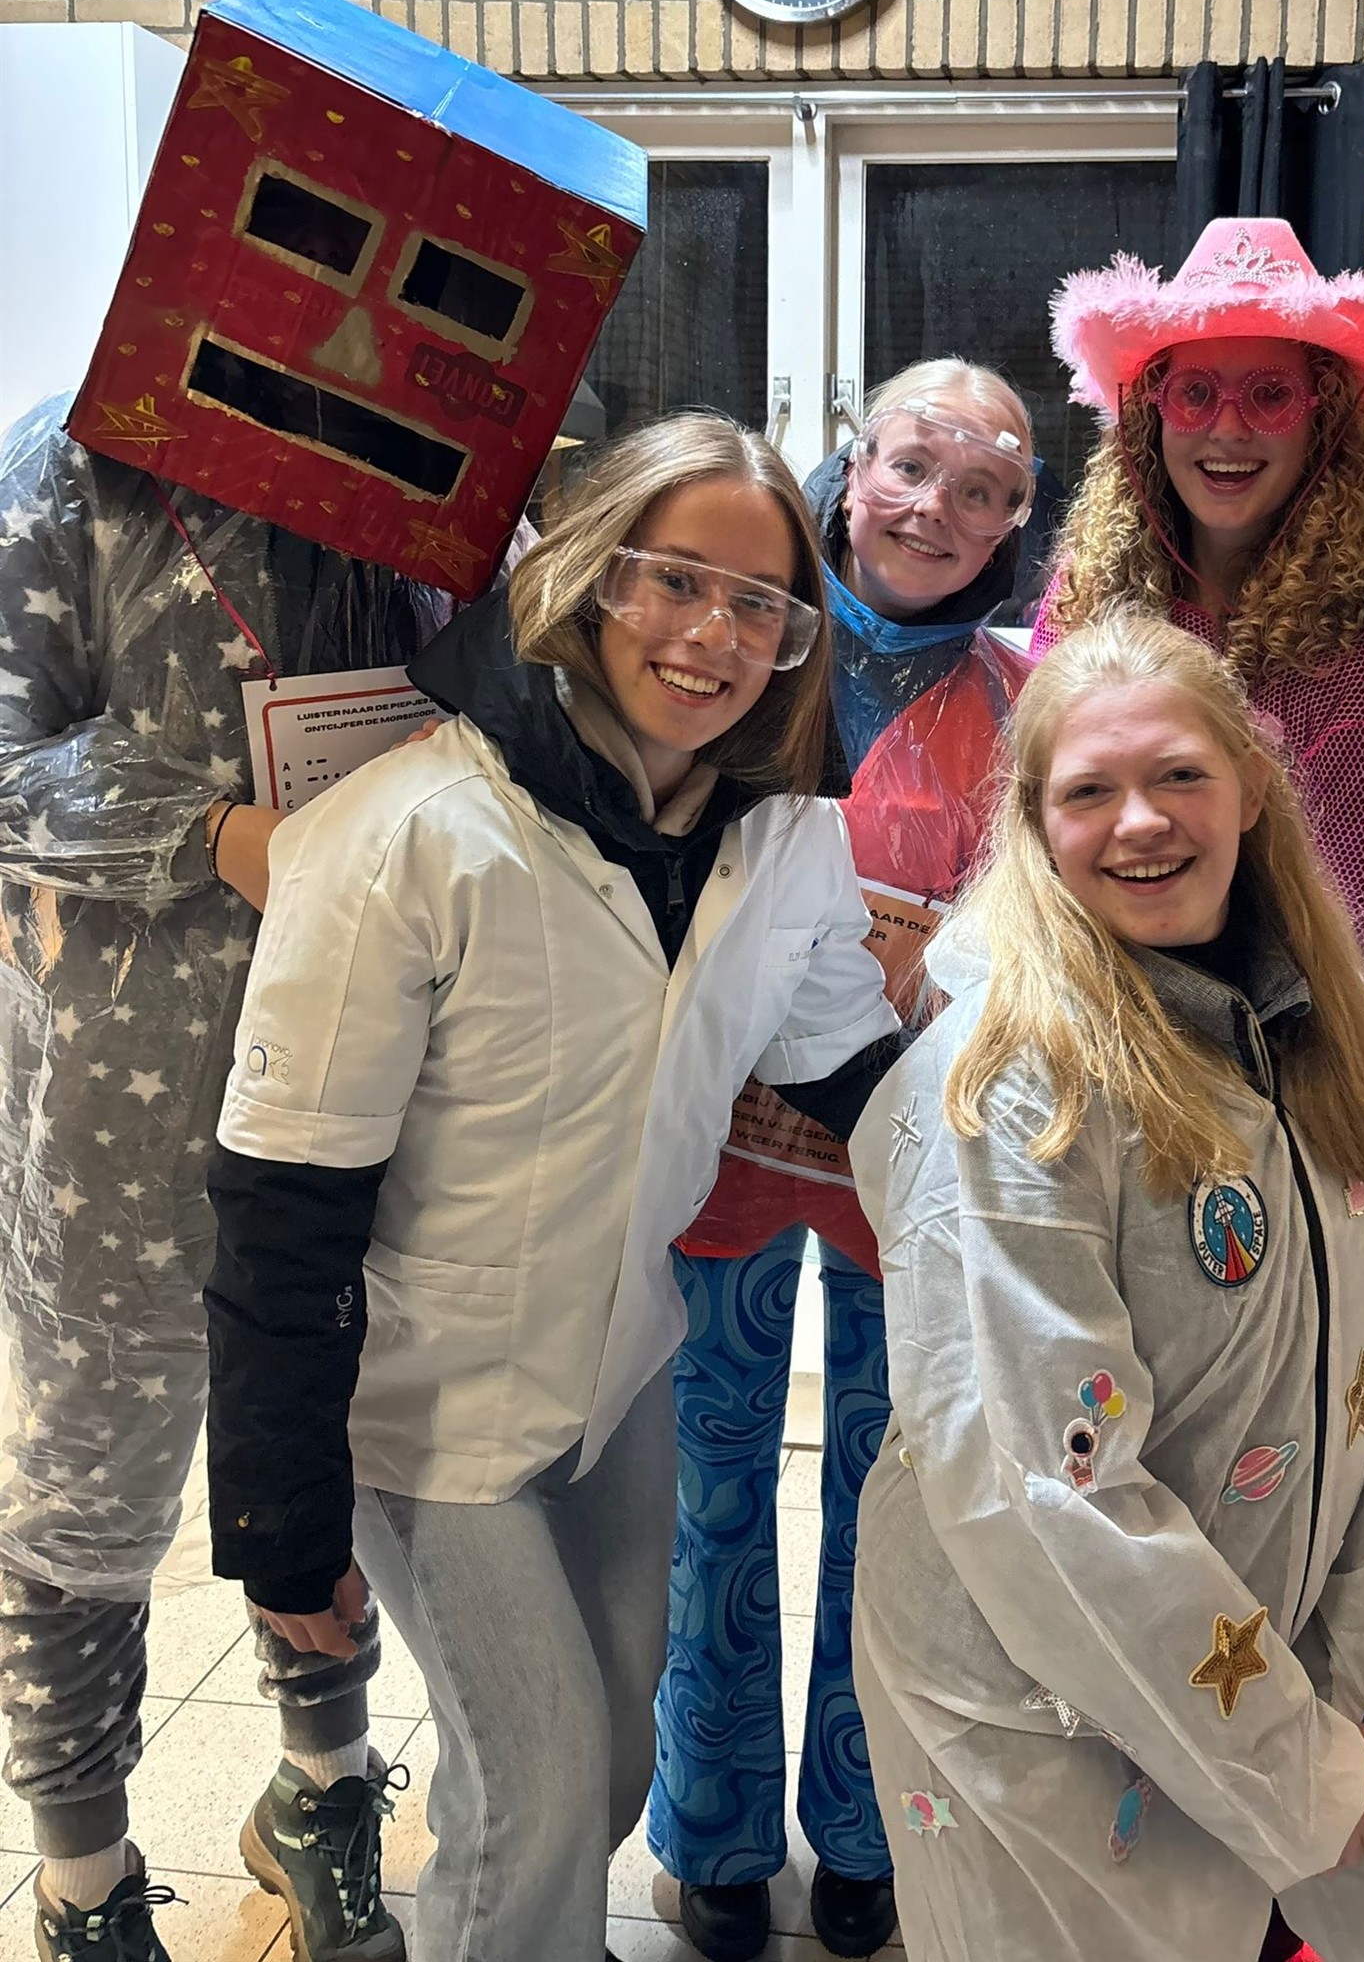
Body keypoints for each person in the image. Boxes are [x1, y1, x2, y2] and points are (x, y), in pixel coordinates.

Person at [845, 607, 1364, 1962]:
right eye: (1088, 792)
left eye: (1178, 775)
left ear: (1252, 788)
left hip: (1286, 1615)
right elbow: (1049, 1493)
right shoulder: (1005, 1090)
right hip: (1045, 1689)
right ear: (1034, 825)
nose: (1140, 822)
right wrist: (1290, 1767)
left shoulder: (1314, 1028)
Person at [202, 414, 901, 1962]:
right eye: (675, 580)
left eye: (762, 606)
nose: (712, 635)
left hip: (619, 1371)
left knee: (614, 1764)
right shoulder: (408, 835)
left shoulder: (783, 842)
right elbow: (282, 1195)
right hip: (426, 1405)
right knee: (541, 1789)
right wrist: (276, 1508)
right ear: (591, 578)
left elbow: (856, 1071)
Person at [0, 395, 438, 1962]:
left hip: (367, 1071)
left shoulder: (430, 467)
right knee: (84, 1489)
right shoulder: (81, 460)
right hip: (116, 1105)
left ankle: (325, 1792)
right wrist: (216, 834)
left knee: (324, 1432)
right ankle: (84, 1880)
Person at [651, 359, 1036, 1962]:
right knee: (711, 1501)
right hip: (723, 1161)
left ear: (1015, 523)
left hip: (913, 1175)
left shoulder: (1028, 696)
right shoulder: (747, 649)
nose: (936, 510)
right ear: (852, 461)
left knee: (897, 1514)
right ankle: (714, 1833)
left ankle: (872, 1831)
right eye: (912, 466)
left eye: (983, 488)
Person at [1034, 216, 1364, 1005]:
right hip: (1061, 1005)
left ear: (1323, 420)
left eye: (1269, 396)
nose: (1227, 428)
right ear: (1152, 412)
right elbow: (1030, 827)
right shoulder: (1082, 602)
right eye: (1194, 393)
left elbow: (1354, 983)